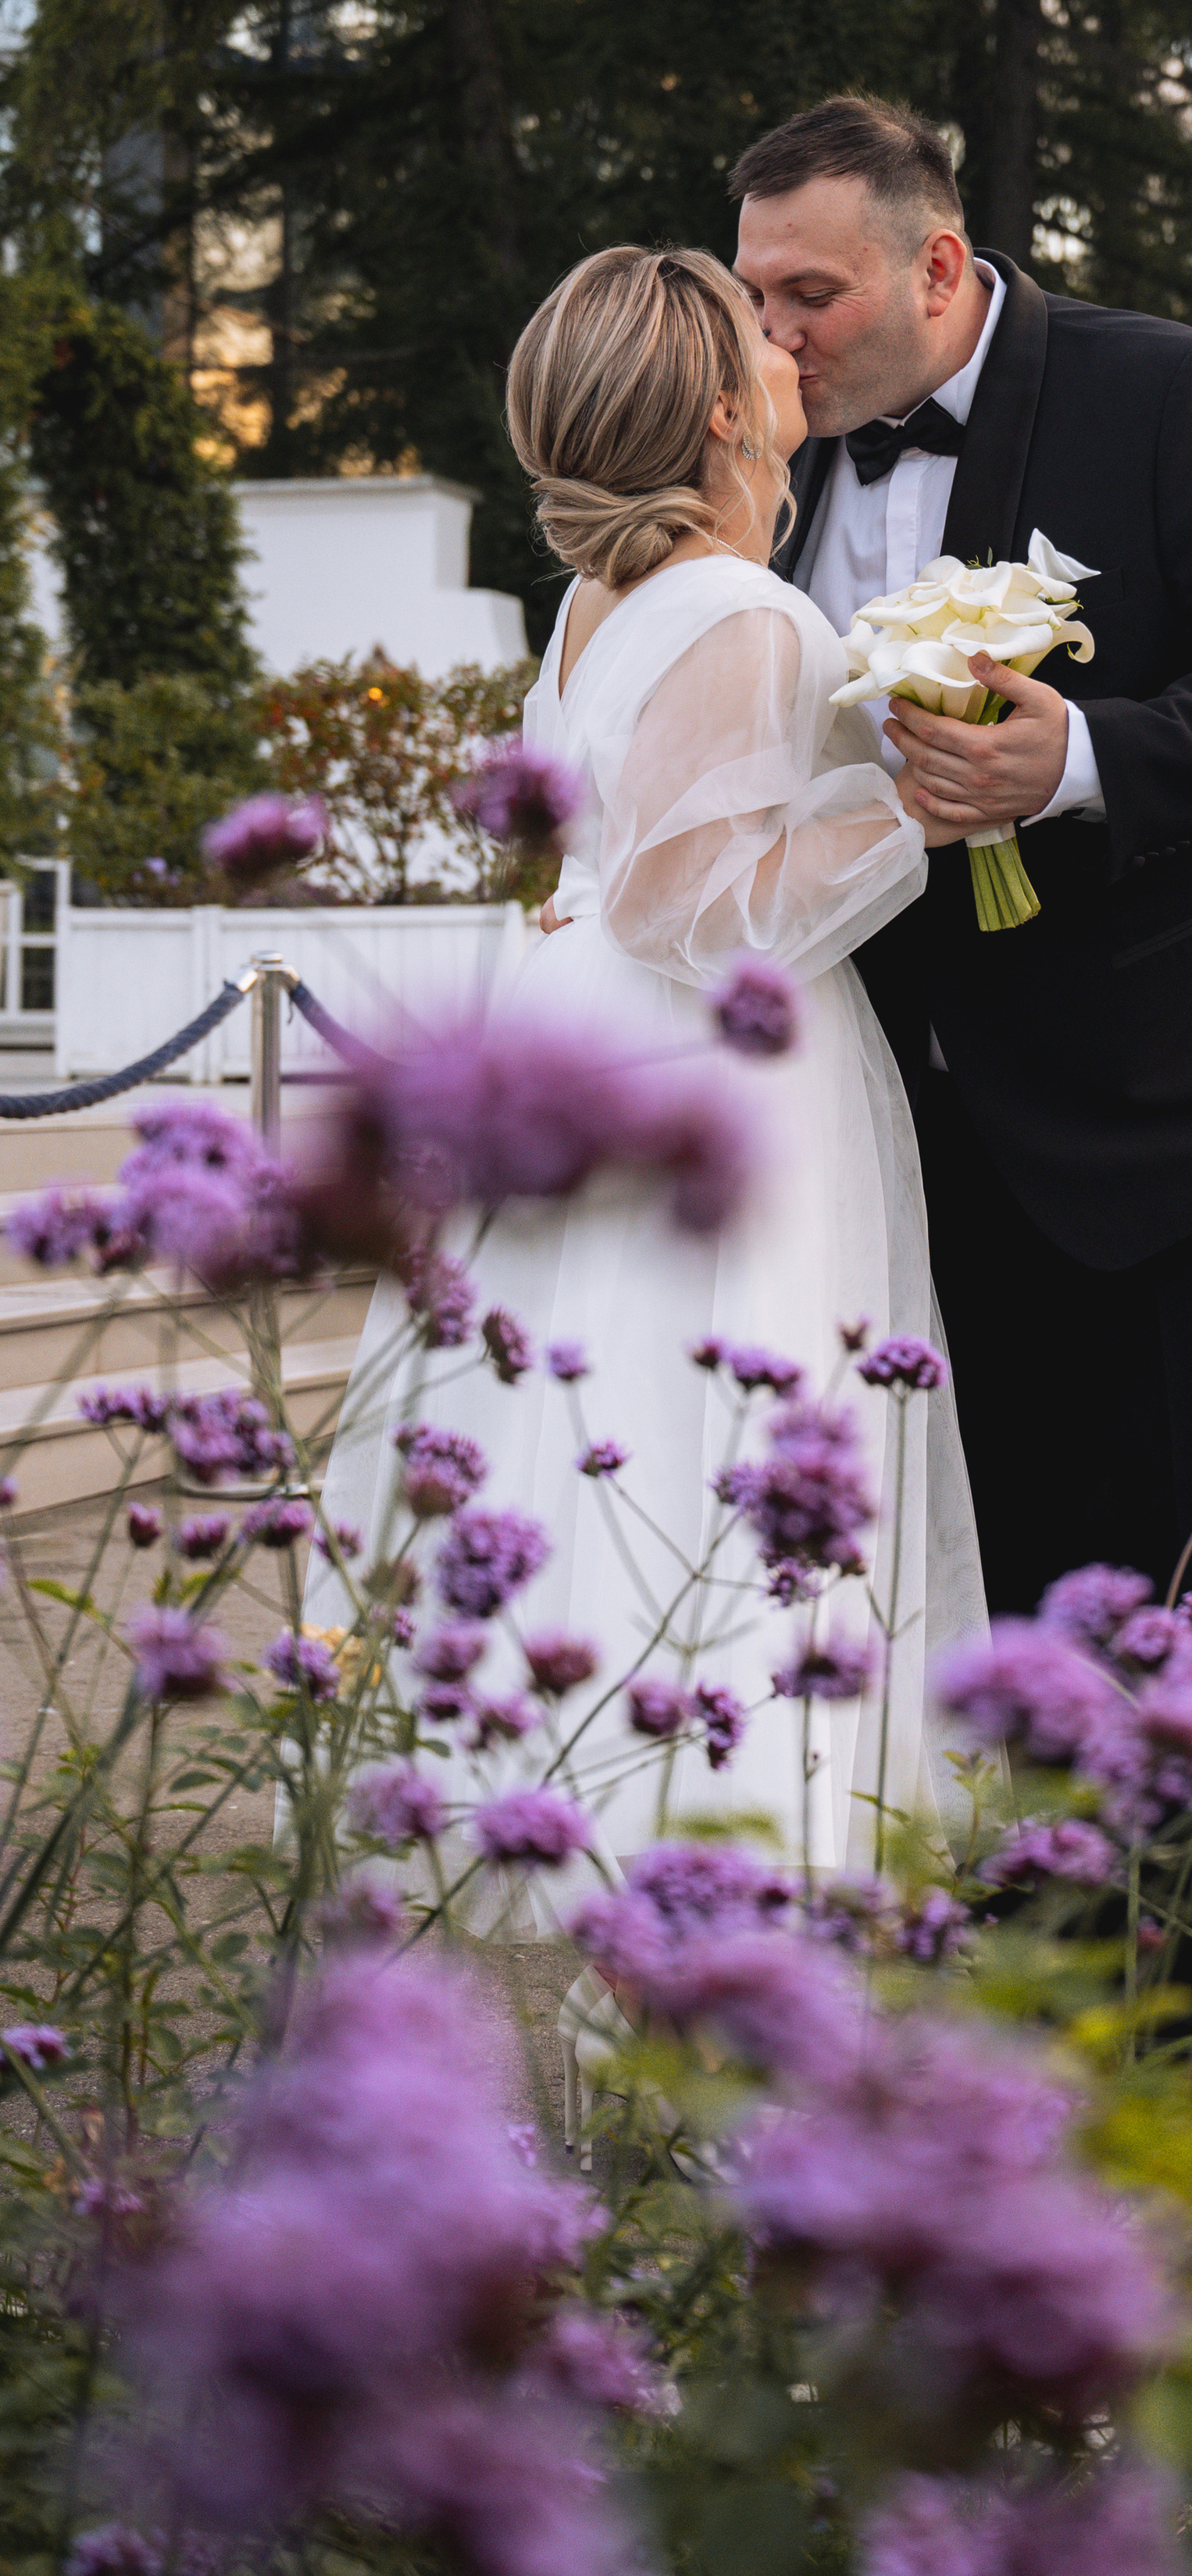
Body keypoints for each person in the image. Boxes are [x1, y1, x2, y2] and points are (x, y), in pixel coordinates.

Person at [731, 97, 1192, 2081]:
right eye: (752, 293)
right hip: (935, 1126)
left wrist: (1078, 760)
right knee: (1000, 1587)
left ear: (937, 270)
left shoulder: (1174, 397)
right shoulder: (752, 457)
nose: (771, 339)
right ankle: (1029, 2053)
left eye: (809, 294)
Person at [319, 245, 983, 1887]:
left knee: (621, 1422)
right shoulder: (739, 608)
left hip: (595, 1053)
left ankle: (616, 1817)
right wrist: (926, 798)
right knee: (729, 1441)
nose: (782, 342)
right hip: (722, 1075)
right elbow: (698, 907)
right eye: (752, 330)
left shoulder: (591, 608)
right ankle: (735, 1853)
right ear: (712, 410)